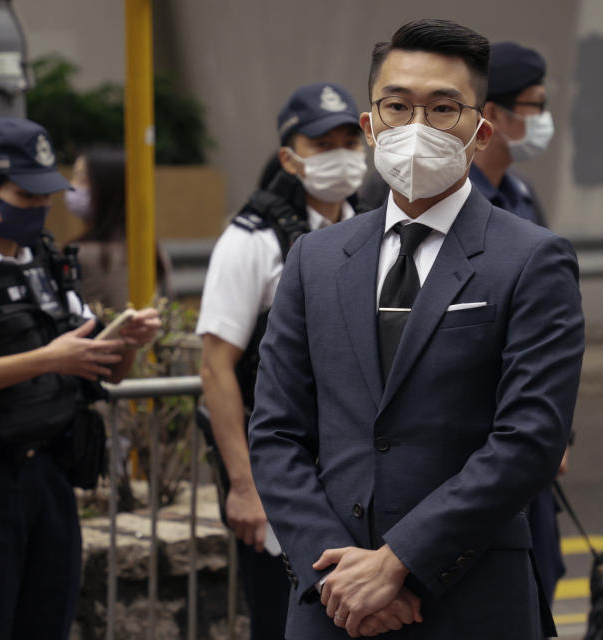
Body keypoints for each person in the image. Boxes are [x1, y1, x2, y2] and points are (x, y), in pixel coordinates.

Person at [248, 19, 584, 640]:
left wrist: (400, 562)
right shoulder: (315, 259)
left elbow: (531, 438)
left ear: (480, 132)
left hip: (470, 598)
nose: (417, 126)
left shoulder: (533, 259)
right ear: (372, 124)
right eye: (397, 105)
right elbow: (275, 431)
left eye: (443, 107)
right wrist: (337, 574)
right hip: (333, 602)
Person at [0, 117, 161, 639]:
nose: (40, 209)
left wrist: (126, 344)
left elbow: (100, 371)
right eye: (26, 196)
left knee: (47, 623)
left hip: (49, 474)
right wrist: (49, 358)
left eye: (46, 195)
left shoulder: (49, 262)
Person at [196, 82, 367, 640]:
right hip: (285, 479)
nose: (340, 155)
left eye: (350, 140)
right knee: (287, 621)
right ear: (290, 157)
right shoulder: (252, 241)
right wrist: (244, 484)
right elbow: (217, 366)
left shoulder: (373, 229)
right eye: (322, 144)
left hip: (357, 473)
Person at [469, 39, 569, 604]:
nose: (541, 119)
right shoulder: (451, 203)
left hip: (528, 435)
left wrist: (557, 427)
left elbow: (552, 327)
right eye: (533, 106)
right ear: (493, 116)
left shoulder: (523, 196)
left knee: (540, 576)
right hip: (476, 442)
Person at [64, 147, 173, 310]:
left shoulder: (84, 254)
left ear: (107, 188)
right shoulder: (150, 248)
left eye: (82, 180)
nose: (72, 186)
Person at [468, 41, 553, 226]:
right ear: (493, 115)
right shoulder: (455, 199)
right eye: (537, 105)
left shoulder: (522, 191)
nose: (543, 117)